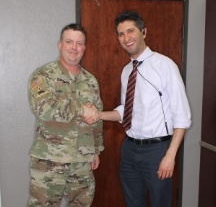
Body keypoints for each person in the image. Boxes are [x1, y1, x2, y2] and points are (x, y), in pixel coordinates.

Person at [83, 11, 191, 207]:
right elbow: (126, 111)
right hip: (130, 149)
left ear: (144, 32)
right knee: (133, 203)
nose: (126, 38)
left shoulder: (165, 66)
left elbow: (182, 117)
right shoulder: (127, 71)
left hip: (157, 151)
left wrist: (170, 156)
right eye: (121, 34)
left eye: (130, 31)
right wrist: (98, 115)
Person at [27, 23, 104, 207]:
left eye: (79, 43)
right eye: (69, 42)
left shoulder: (90, 81)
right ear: (59, 44)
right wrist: (80, 109)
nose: (74, 48)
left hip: (82, 162)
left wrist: (96, 150)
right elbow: (44, 109)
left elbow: (96, 117)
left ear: (84, 48)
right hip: (49, 161)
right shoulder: (43, 76)